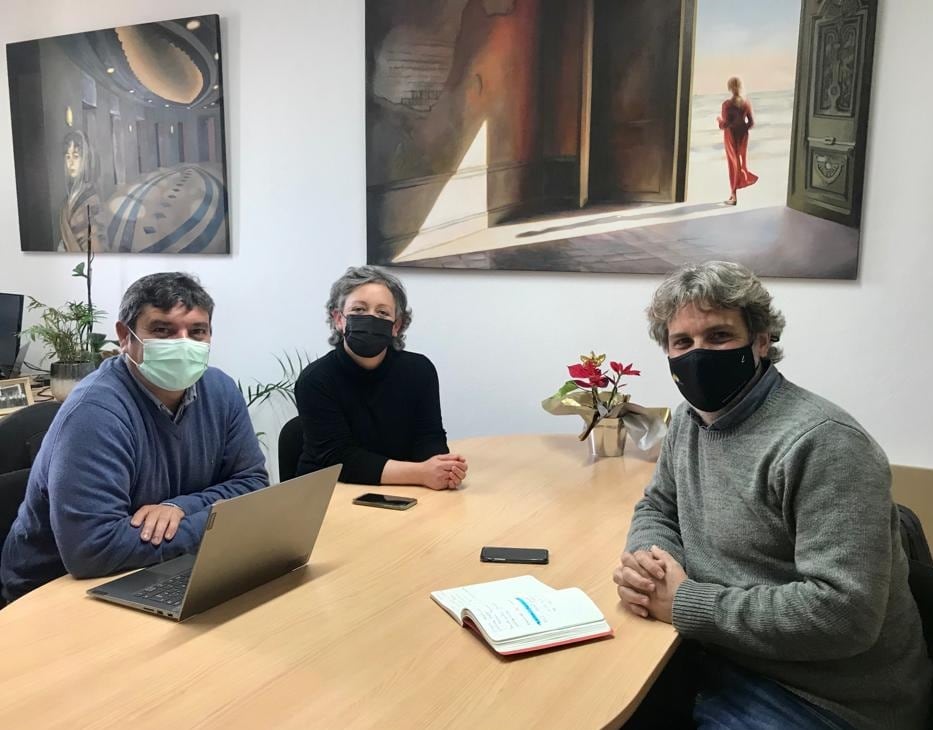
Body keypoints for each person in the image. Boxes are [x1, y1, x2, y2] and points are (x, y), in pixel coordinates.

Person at [613, 261, 931, 729]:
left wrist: (685, 603)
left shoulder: (824, 443)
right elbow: (659, 506)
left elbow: (844, 615)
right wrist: (650, 565)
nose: (698, 354)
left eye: (719, 336)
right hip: (717, 655)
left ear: (761, 341)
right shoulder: (688, 420)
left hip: (822, 699)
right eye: (683, 342)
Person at [1, 273, 268, 603]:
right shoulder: (95, 412)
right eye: (162, 330)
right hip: (56, 592)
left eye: (197, 332)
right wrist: (222, 525)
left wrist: (180, 508)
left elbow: (252, 484)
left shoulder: (220, 390)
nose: (182, 344)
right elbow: (93, 549)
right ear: (125, 337)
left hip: (155, 568)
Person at [295, 265, 467, 489]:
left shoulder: (419, 370)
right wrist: (421, 473)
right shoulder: (315, 380)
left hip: (402, 491)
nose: (370, 318)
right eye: (358, 310)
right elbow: (340, 459)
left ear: (396, 325)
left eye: (382, 313)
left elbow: (429, 437)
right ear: (338, 319)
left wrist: (444, 470)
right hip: (331, 494)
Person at [60, 130, 108, 251]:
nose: (71, 163)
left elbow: (95, 245)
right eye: (68, 157)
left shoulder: (90, 200)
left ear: (85, 159)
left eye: (76, 157)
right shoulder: (70, 197)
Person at [717, 77, 758, 206]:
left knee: (733, 164)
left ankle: (733, 196)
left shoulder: (727, 105)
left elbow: (725, 125)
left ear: (729, 88)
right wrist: (742, 128)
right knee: (740, 163)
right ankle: (736, 190)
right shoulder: (746, 103)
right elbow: (751, 123)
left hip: (731, 136)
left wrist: (719, 121)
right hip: (743, 135)